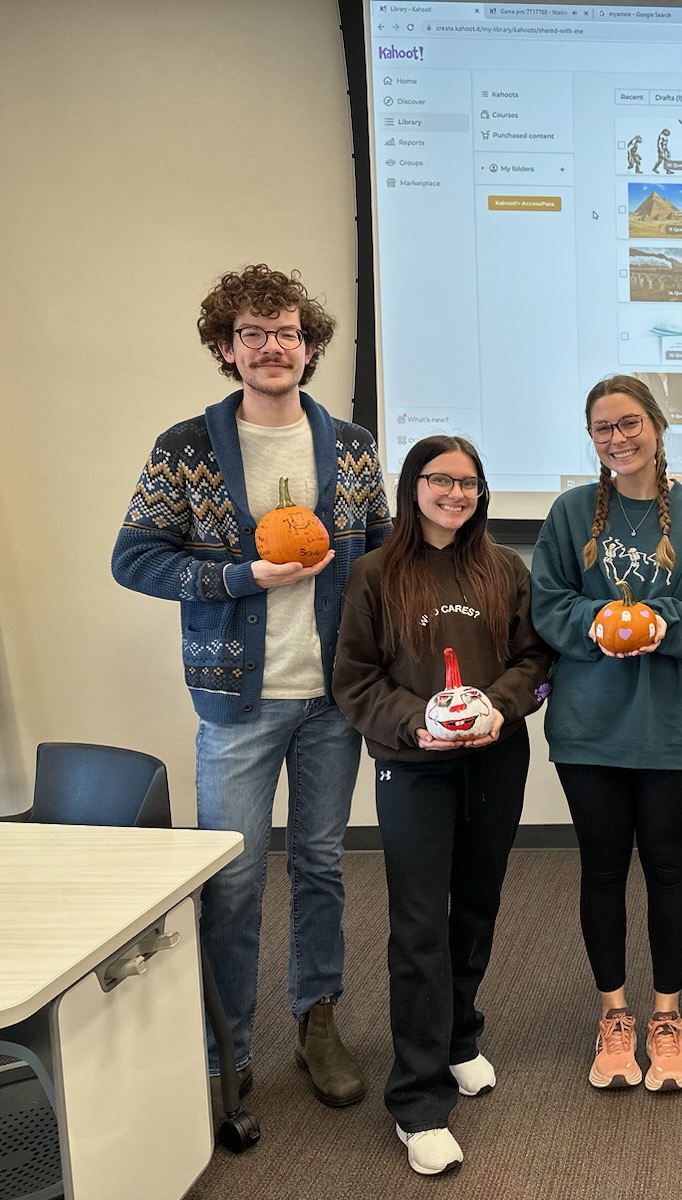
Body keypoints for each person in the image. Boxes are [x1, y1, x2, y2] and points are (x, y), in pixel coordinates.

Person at [112, 264, 391, 1110]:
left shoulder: (351, 446)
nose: (274, 347)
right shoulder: (186, 447)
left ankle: (317, 1021)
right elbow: (135, 559)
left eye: (288, 333)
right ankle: (224, 1048)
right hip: (237, 702)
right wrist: (238, 578)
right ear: (226, 348)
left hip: (332, 698)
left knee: (320, 865)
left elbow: (381, 551)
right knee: (232, 881)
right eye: (254, 334)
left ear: (310, 348)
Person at [333, 435, 552, 1175]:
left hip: (496, 759)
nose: (456, 493)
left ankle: (458, 1037)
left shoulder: (503, 568)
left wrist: (500, 706)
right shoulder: (374, 574)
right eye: (441, 480)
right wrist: (416, 723)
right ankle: (417, 1100)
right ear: (413, 486)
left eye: (469, 482)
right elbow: (354, 680)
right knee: (420, 925)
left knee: (477, 908)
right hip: (413, 767)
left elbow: (535, 662)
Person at [530, 375, 682, 1093]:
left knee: (668, 865)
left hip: (673, 723)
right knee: (602, 867)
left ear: (656, 425)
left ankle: (666, 1015)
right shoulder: (568, 513)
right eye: (602, 428)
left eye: (629, 424)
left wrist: (659, 622)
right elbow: (548, 605)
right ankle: (614, 1013)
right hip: (589, 727)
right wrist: (600, 622)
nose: (617, 438)